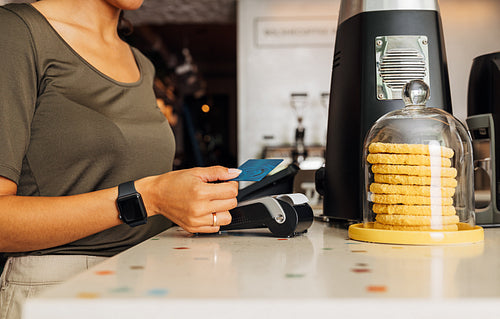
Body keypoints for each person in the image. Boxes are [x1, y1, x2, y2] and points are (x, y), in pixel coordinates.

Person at [0, 1, 241, 318]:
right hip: (61, 289)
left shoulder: (141, 62)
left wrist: (192, 201)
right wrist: (148, 198)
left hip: (148, 279)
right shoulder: (16, 32)